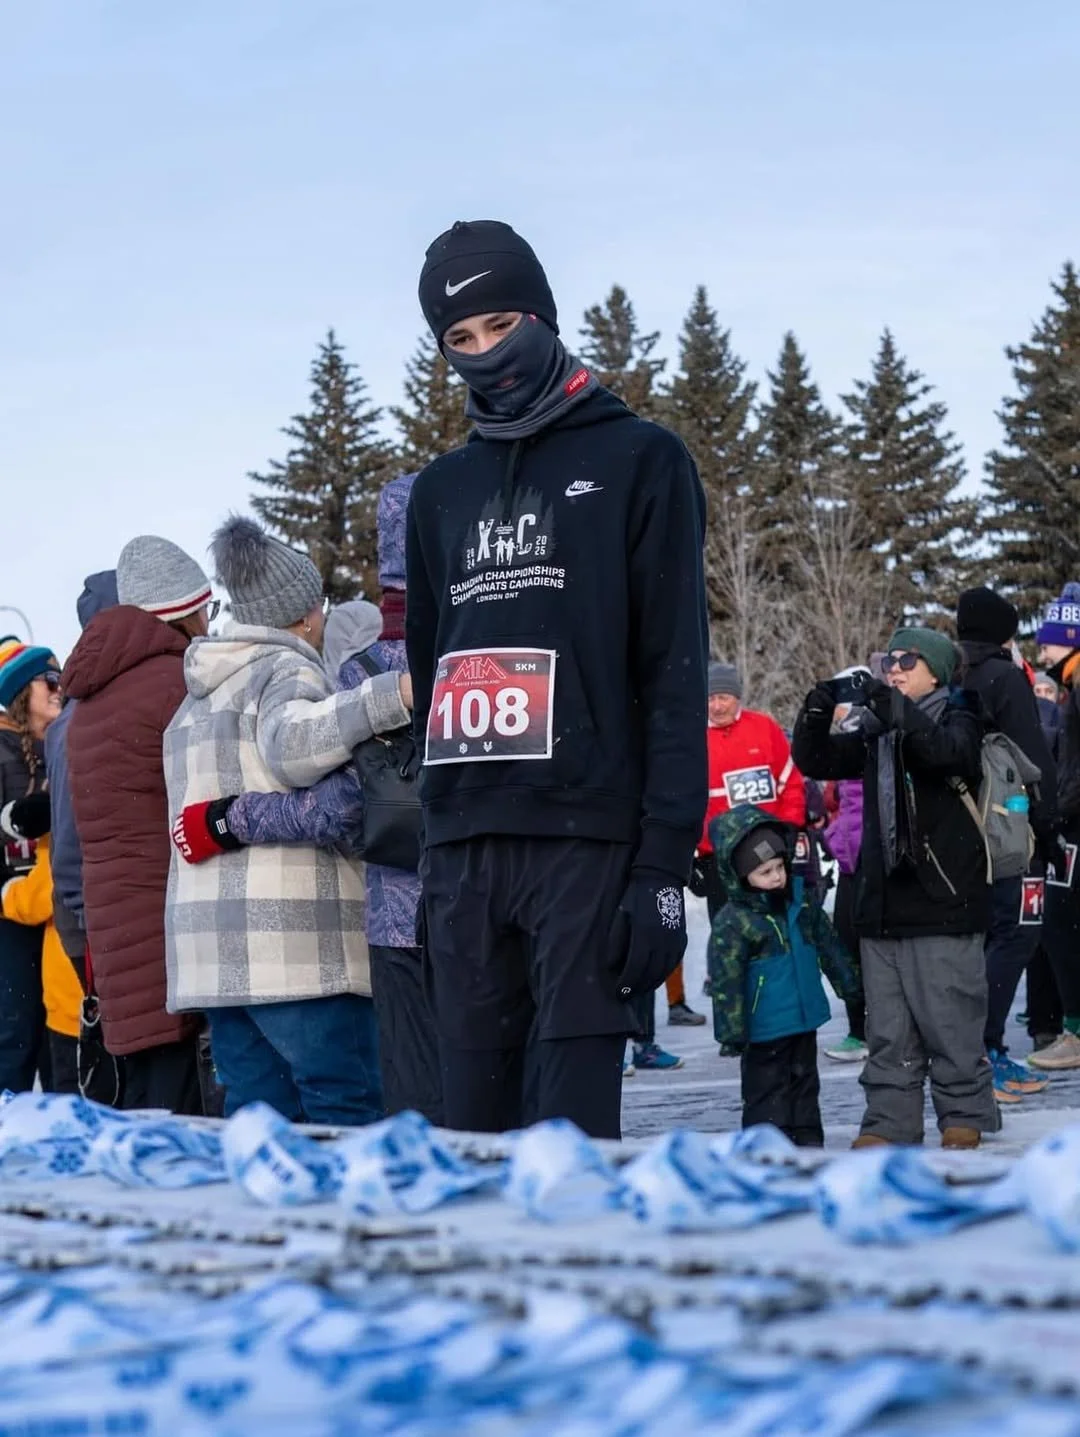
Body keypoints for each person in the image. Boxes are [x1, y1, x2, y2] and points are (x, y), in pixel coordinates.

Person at [406, 220, 708, 1140]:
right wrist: (433, 846)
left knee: (569, 1155)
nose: (486, 353)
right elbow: (431, 668)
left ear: (540, 311)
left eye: (501, 324)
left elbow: (672, 673)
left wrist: (660, 865)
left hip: (582, 845)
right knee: (470, 1146)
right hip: (464, 854)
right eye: (460, 339)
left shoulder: (640, 459)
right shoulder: (440, 492)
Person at [171, 481, 443, 1125]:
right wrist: (391, 694)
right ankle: (350, 1227)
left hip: (216, 959)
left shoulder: (195, 694)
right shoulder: (288, 669)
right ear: (302, 615)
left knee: (259, 1119)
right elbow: (294, 747)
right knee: (344, 1105)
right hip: (292, 954)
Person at [792, 627, 998, 1150]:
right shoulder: (877, 726)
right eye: (889, 660)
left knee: (950, 1021)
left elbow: (945, 755)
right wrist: (817, 713)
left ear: (937, 669)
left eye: (907, 660)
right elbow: (817, 763)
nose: (895, 668)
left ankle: (964, 1113)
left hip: (945, 898)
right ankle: (888, 1121)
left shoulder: (961, 714)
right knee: (889, 1030)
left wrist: (890, 708)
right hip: (883, 901)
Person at [63, 539, 216, 1114]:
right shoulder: (178, 683)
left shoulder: (88, 703)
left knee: (148, 1107)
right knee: (187, 1119)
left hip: (117, 932)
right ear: (186, 612)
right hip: (174, 931)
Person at [708, 806, 860, 1145]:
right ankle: (766, 1147)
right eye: (764, 871)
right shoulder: (735, 921)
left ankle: (808, 1142)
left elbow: (829, 945)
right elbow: (725, 980)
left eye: (779, 866)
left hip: (803, 1022)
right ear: (740, 874)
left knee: (805, 1086)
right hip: (764, 1030)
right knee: (766, 1093)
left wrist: (850, 984)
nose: (776, 877)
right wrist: (732, 1031)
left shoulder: (800, 903)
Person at [956, 586, 1056, 1099]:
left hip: (967, 828)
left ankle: (974, 1047)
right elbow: (1032, 755)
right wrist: (1050, 823)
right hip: (1013, 829)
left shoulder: (956, 673)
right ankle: (984, 1050)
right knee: (1018, 933)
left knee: (989, 936)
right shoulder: (1003, 678)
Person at [696, 661, 807, 999]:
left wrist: (788, 827)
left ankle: (782, 1002)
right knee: (730, 934)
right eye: (711, 698)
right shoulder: (694, 739)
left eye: (724, 697)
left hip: (765, 850)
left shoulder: (764, 728)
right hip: (720, 858)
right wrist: (695, 849)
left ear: (737, 697)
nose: (717, 706)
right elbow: (686, 800)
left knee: (775, 929)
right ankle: (737, 1013)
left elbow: (790, 782)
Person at [46, 573, 119, 993]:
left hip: (94, 923)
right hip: (95, 927)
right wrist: (93, 925)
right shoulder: (79, 719)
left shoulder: (80, 708)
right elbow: (69, 848)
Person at [0, 637, 63, 1092]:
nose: (61, 687)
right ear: (24, 692)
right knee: (16, 1035)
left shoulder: (61, 745)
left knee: (53, 1038)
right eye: (50, 679)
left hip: (55, 916)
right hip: (11, 919)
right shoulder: (3, 752)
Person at [1030, 582, 1080, 1069]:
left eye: (1050, 638)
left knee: (1062, 922)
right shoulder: (1070, 682)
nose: (1041, 648)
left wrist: (1061, 811)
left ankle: (1075, 1030)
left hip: (1075, 826)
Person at [819, 666, 872, 1063]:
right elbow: (835, 808)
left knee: (874, 954)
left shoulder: (871, 746)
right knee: (847, 950)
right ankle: (858, 1029)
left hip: (875, 867)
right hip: (849, 868)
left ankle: (875, 1029)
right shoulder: (839, 755)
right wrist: (833, 837)